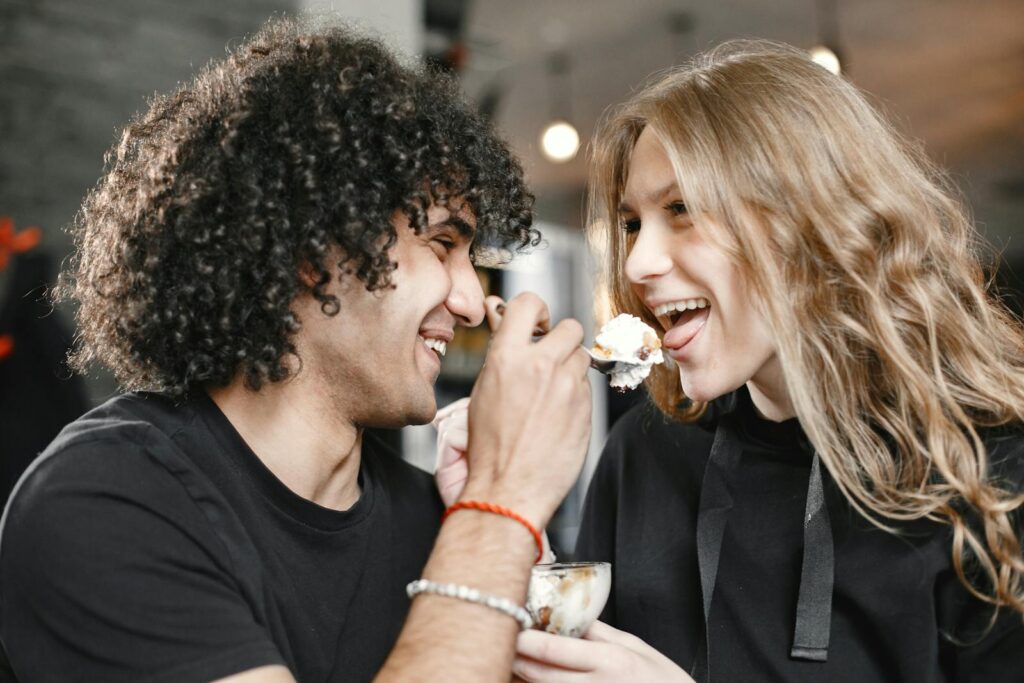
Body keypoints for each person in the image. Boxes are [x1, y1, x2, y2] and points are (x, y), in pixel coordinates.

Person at [0, 16, 593, 682]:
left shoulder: (442, 522)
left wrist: (510, 542)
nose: (471, 303)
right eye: (441, 245)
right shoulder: (103, 501)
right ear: (315, 247)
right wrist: (501, 500)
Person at [496, 40, 1024, 681]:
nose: (636, 264)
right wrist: (499, 515)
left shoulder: (992, 466)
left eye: (683, 209)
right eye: (633, 223)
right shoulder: (645, 454)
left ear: (809, 223)